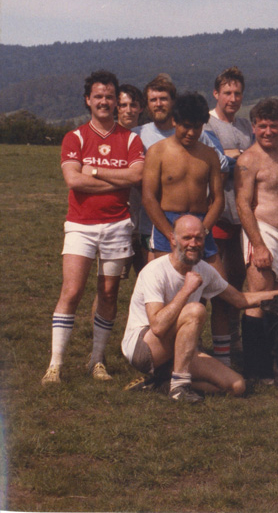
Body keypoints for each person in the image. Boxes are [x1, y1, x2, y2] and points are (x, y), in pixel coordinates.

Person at [121, 215, 278, 402]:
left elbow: (240, 299)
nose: (193, 243)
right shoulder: (155, 271)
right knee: (195, 310)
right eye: (187, 238)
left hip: (177, 348)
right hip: (144, 349)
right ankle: (179, 387)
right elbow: (158, 327)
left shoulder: (204, 269)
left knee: (237, 386)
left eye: (198, 238)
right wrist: (186, 290)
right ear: (173, 239)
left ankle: (160, 382)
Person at [43, 70, 145, 384]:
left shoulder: (130, 139)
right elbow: (73, 180)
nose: (104, 101)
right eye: (98, 96)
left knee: (109, 293)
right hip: (80, 225)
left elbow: (136, 176)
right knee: (72, 291)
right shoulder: (74, 137)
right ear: (88, 100)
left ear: (116, 101)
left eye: (109, 97)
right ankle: (55, 364)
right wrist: (117, 182)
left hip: (118, 226)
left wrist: (96, 172)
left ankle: (96, 360)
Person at [235, 98, 278, 379]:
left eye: (273, 126)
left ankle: (277, 364)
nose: (267, 132)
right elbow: (242, 204)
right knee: (259, 300)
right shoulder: (248, 160)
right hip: (264, 233)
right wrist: (259, 245)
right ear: (253, 126)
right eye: (262, 126)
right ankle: (254, 368)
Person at [134, 74, 228, 259]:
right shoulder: (157, 152)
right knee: (169, 276)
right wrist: (169, 233)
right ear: (174, 121)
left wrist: (203, 230)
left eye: (197, 127)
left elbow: (218, 199)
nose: (191, 133)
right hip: (167, 222)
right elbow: (149, 198)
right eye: (186, 126)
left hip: (200, 222)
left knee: (215, 277)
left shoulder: (209, 155)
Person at [204, 67, 255, 345]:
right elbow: (218, 162)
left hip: (243, 215)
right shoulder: (207, 124)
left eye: (237, 93)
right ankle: (205, 340)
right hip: (217, 213)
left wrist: (237, 155)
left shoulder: (246, 125)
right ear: (216, 93)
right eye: (227, 93)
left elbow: (258, 156)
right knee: (210, 280)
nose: (233, 98)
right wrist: (242, 157)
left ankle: (231, 338)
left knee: (236, 278)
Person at [117, 83, 147, 275]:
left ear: (141, 107)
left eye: (133, 105)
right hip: (118, 219)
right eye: (123, 105)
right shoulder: (110, 138)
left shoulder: (148, 136)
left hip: (145, 219)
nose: (128, 110)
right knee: (111, 282)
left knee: (147, 276)